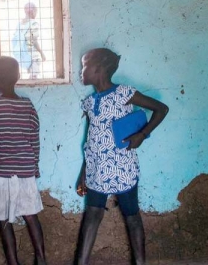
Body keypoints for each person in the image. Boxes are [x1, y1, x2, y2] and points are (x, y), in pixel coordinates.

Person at [74, 48, 169, 265]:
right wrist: (84, 174)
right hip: (97, 170)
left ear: (98, 69)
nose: (81, 71)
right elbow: (89, 143)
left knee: (132, 217)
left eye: (84, 66)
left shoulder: (124, 93)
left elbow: (161, 109)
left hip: (122, 168)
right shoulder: (89, 103)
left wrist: (142, 135)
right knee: (92, 216)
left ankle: (140, 262)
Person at [0, 56, 47, 265]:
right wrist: (34, 167)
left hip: (0, 173)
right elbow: (35, 141)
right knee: (31, 215)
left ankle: (13, 262)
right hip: (25, 172)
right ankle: (42, 259)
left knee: (5, 220)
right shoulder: (28, 105)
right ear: (18, 76)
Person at [11, 2, 46, 79]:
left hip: (20, 53)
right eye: (36, 11)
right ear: (33, 11)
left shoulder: (19, 24)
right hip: (31, 53)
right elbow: (34, 40)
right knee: (34, 75)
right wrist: (41, 53)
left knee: (31, 73)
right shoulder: (34, 23)